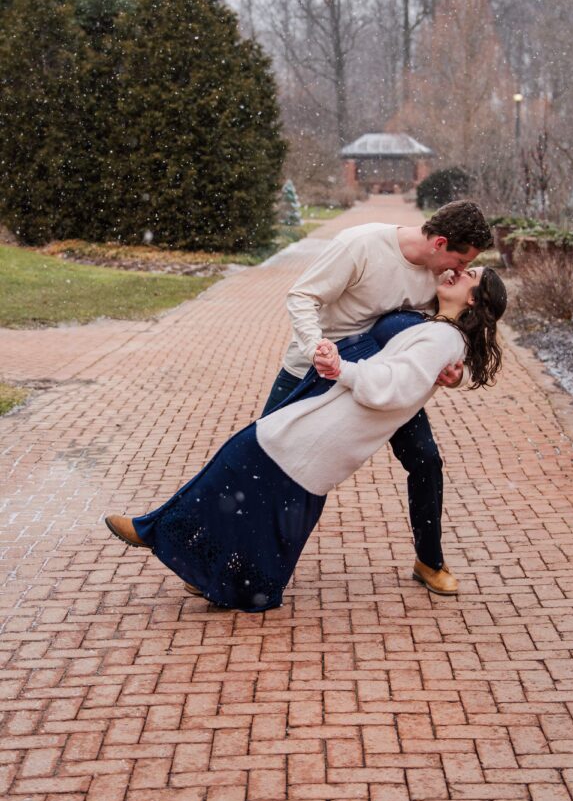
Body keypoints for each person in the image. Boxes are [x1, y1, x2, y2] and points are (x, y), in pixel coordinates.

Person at [104, 266, 507, 612]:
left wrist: (342, 370)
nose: (457, 271)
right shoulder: (430, 308)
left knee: (244, 462)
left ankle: (160, 532)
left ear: (473, 300)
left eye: (468, 273)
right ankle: (228, 577)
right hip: (334, 410)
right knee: (272, 496)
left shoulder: (443, 336)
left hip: (340, 415)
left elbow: (397, 385)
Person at [261, 200, 493, 595]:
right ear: (440, 243)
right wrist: (318, 347)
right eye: (460, 261)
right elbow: (302, 296)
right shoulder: (361, 246)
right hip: (313, 370)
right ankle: (225, 555)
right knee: (263, 459)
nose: (459, 272)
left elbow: (457, 335)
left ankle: (429, 561)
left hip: (382, 382)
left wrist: (456, 376)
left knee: (426, 461)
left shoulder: (441, 280)